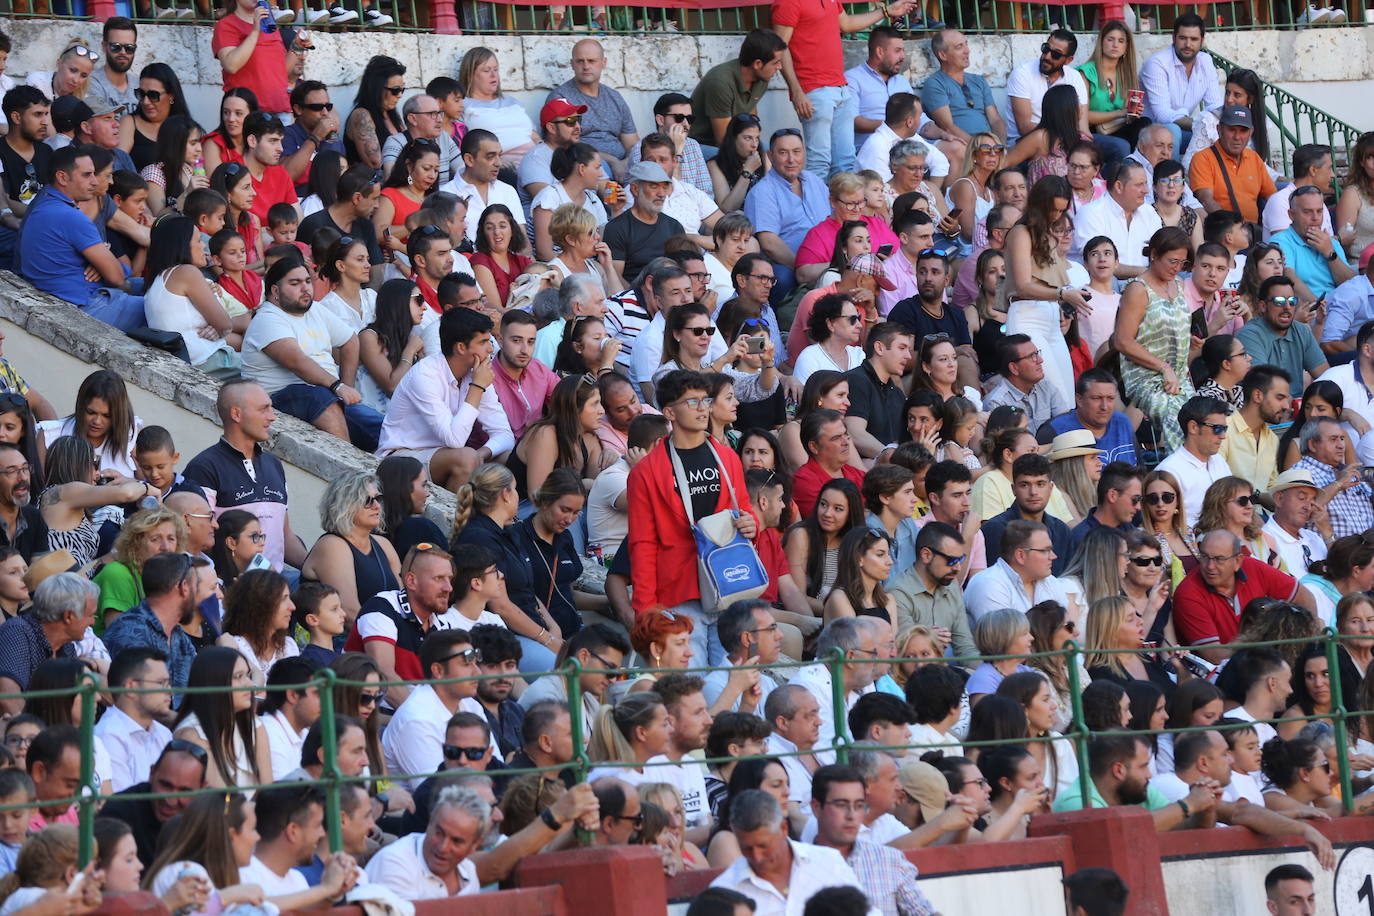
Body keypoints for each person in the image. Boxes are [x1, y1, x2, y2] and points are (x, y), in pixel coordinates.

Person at [627, 370, 756, 662]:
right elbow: (642, 543)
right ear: (669, 412)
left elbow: (744, 508)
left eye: (706, 400)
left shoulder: (727, 457)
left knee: (730, 686)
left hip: (730, 583)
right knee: (689, 687)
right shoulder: (646, 472)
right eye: (693, 402)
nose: (702, 408)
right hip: (680, 592)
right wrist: (646, 609)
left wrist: (752, 522)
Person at [377, 307, 513, 493]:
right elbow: (455, 440)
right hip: (401, 458)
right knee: (466, 457)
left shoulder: (476, 373)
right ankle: (454, 520)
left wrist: (481, 454)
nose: (491, 348)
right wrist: (477, 387)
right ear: (461, 347)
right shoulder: (425, 375)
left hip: (443, 455)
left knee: (505, 455)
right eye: (483, 342)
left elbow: (505, 434)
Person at [18, 145, 144, 331]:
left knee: (154, 284)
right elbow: (117, 278)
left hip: (69, 296)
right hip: (86, 307)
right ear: (62, 177)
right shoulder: (71, 216)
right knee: (170, 306)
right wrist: (109, 266)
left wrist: (103, 265)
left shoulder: (44, 202)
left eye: (94, 174)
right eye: (86, 175)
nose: (94, 181)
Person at [1003, 175, 1086, 406]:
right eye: (1053, 210)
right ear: (1040, 204)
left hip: (1050, 318)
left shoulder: (1048, 236)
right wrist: (1062, 295)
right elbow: (1023, 285)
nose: (1056, 216)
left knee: (1067, 399)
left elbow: (1053, 283)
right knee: (1055, 398)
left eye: (1061, 211)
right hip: (1027, 317)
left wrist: (1064, 302)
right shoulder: (1020, 232)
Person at [1173, 532, 1313, 661]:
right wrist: (1264, 637)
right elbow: (1215, 656)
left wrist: (1304, 631)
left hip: (1271, 661)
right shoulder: (1188, 594)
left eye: (1219, 559)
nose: (1210, 566)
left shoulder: (1253, 567)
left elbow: (1304, 597)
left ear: (1238, 561)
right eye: (1205, 557)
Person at [364, 784, 490, 898]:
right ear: (429, 823)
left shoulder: (468, 871)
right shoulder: (393, 864)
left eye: (456, 841)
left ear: (475, 845)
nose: (443, 847)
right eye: (439, 833)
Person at [744, 129, 830, 291]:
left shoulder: (815, 181)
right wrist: (803, 267)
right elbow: (769, 243)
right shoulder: (762, 192)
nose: (791, 160)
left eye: (796, 152)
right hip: (790, 264)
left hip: (826, 259)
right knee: (782, 279)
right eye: (783, 152)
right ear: (770, 156)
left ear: (804, 153)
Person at [1235, 277, 1328, 398]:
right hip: (1262, 406)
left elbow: (1325, 375)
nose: (1287, 307)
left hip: (1293, 407)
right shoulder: (1250, 334)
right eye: (1279, 301)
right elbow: (1263, 384)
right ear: (1263, 306)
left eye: (1292, 301)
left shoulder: (1302, 330)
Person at [964, 520, 1069, 621]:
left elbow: (1066, 630)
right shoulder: (989, 584)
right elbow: (1003, 638)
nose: (1053, 556)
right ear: (1021, 555)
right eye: (1045, 550)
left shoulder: (1051, 582)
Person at [1188, 106, 1276, 224]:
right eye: (1232, 129)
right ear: (1219, 129)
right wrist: (1235, 228)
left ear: (1251, 133)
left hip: (1253, 232)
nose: (1237, 137)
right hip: (1222, 231)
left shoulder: (1254, 158)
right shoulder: (1203, 158)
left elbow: (1273, 197)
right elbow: (1206, 200)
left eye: (1243, 131)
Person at [1000, 29, 1089, 144]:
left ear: (1068, 60)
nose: (1047, 56)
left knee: (1115, 148)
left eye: (1056, 54)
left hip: (1065, 140)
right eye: (1046, 49)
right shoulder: (1022, 73)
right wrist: (1065, 134)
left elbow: (1082, 127)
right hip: (1027, 143)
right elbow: (1024, 128)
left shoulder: (1075, 77)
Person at [1292, 416, 1374, 538]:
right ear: (1313, 445)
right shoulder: (1300, 472)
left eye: (1342, 439)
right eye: (1333, 439)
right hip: (1331, 553)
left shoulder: (1347, 471)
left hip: (1367, 550)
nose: (1341, 445)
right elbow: (1304, 509)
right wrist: (1338, 484)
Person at [923, 29, 1005, 147]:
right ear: (943, 55)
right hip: (963, 147)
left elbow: (995, 119)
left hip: (989, 146)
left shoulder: (979, 81)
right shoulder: (935, 83)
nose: (967, 51)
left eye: (966, 44)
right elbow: (947, 127)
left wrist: (1000, 146)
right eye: (959, 47)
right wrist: (978, 148)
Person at [1272, 185, 1354, 303]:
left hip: (1340, 307)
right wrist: (1321, 308)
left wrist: (1330, 254)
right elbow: (1289, 278)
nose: (1315, 218)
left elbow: (1351, 285)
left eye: (1319, 211)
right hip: (1309, 312)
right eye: (1307, 212)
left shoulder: (1331, 243)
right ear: (1292, 215)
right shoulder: (1281, 241)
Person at [982, 333, 1072, 433]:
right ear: (1014, 368)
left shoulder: (1046, 386)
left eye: (1037, 353)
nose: (1040, 360)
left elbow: (1066, 426)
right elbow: (1009, 445)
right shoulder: (997, 403)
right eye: (1031, 357)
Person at [1262, 469, 1327, 582]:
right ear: (1279, 499)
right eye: (1302, 498)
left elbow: (1342, 577)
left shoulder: (1315, 538)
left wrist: (1327, 532)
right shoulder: (1264, 540)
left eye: (1312, 501)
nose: (1308, 507)